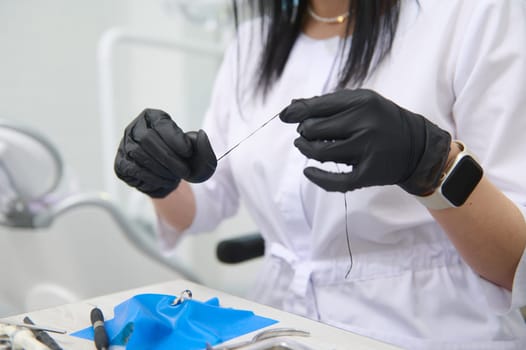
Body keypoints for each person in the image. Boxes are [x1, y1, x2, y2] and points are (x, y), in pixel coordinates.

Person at [114, 0, 526, 348]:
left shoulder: (473, 16)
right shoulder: (253, 44)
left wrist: (433, 164)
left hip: (426, 330)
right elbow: (203, 207)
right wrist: (160, 175)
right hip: (278, 323)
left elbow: (514, 261)